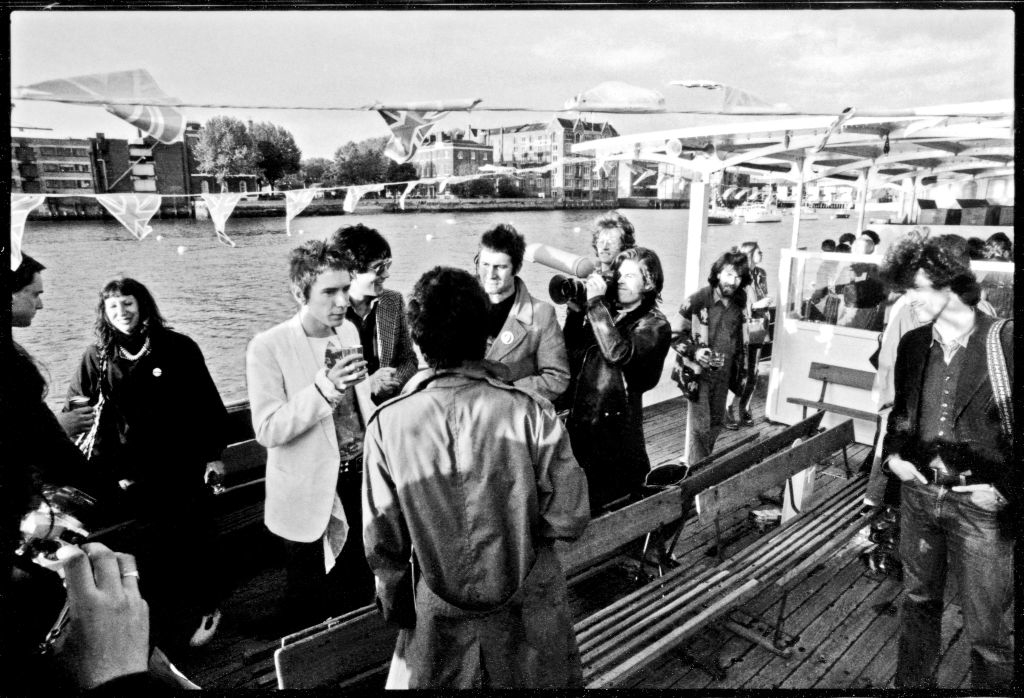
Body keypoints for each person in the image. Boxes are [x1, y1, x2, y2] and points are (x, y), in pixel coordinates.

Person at [362, 266, 589, 689]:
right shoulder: (531, 411)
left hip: (436, 628)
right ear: (484, 335)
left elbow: (384, 545)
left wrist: (400, 606)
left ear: (416, 340)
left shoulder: (386, 424)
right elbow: (570, 517)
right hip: (529, 624)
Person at [64, 277, 229, 651]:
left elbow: (207, 404)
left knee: (191, 542)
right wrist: (72, 417)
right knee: (149, 552)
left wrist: (213, 455)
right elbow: (76, 406)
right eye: (113, 307)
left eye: (128, 304)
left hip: (180, 468)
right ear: (104, 313)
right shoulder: (97, 357)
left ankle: (205, 608)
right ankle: (159, 625)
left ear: (143, 305)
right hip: (128, 475)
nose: (121, 313)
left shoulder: (177, 348)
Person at [879, 234, 1014, 690]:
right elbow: (901, 414)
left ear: (950, 287)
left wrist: (1004, 490)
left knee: (986, 628)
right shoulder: (914, 343)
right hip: (920, 495)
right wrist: (894, 456)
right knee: (917, 602)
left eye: (916, 289)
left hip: (980, 507)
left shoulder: (1005, 343)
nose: (908, 299)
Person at [245, 240, 375, 631]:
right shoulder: (268, 347)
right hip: (308, 486)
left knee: (357, 582)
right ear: (299, 294)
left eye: (345, 289)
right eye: (329, 292)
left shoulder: (349, 331)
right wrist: (325, 390)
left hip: (358, 476)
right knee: (308, 593)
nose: (342, 301)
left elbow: (362, 406)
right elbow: (268, 429)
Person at [563, 247, 672, 513]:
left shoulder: (654, 324)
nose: (621, 280)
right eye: (619, 274)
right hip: (585, 419)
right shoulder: (610, 313)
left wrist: (596, 305)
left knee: (621, 494)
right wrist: (577, 313)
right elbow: (571, 351)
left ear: (649, 284)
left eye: (631, 276)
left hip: (618, 426)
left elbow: (618, 353)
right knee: (582, 495)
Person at [476, 223, 569, 402]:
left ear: (517, 268)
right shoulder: (459, 308)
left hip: (513, 416)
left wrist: (506, 392)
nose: (490, 274)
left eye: (500, 267)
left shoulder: (542, 315)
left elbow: (557, 378)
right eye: (485, 264)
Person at [674, 248, 750, 467]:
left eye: (737, 277)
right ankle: (698, 473)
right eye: (728, 274)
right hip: (698, 373)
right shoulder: (697, 300)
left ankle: (696, 464)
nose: (732, 281)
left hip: (724, 374)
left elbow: (740, 339)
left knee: (716, 423)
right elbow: (674, 335)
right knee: (700, 426)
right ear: (718, 274)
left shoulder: (740, 303)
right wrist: (696, 352)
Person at [328, 224, 419, 404]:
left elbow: (408, 359)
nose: (387, 274)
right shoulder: (328, 313)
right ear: (352, 272)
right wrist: (368, 385)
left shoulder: (393, 301)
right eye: (379, 267)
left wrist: (393, 381)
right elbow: (323, 379)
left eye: (388, 265)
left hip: (387, 407)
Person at [725, 241, 774, 428]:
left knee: (753, 371)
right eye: (758, 251)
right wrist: (753, 306)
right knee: (738, 371)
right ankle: (728, 408)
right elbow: (732, 301)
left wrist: (762, 304)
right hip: (742, 327)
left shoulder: (761, 274)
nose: (762, 253)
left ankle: (744, 408)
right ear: (749, 254)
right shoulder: (737, 275)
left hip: (758, 327)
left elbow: (763, 295)